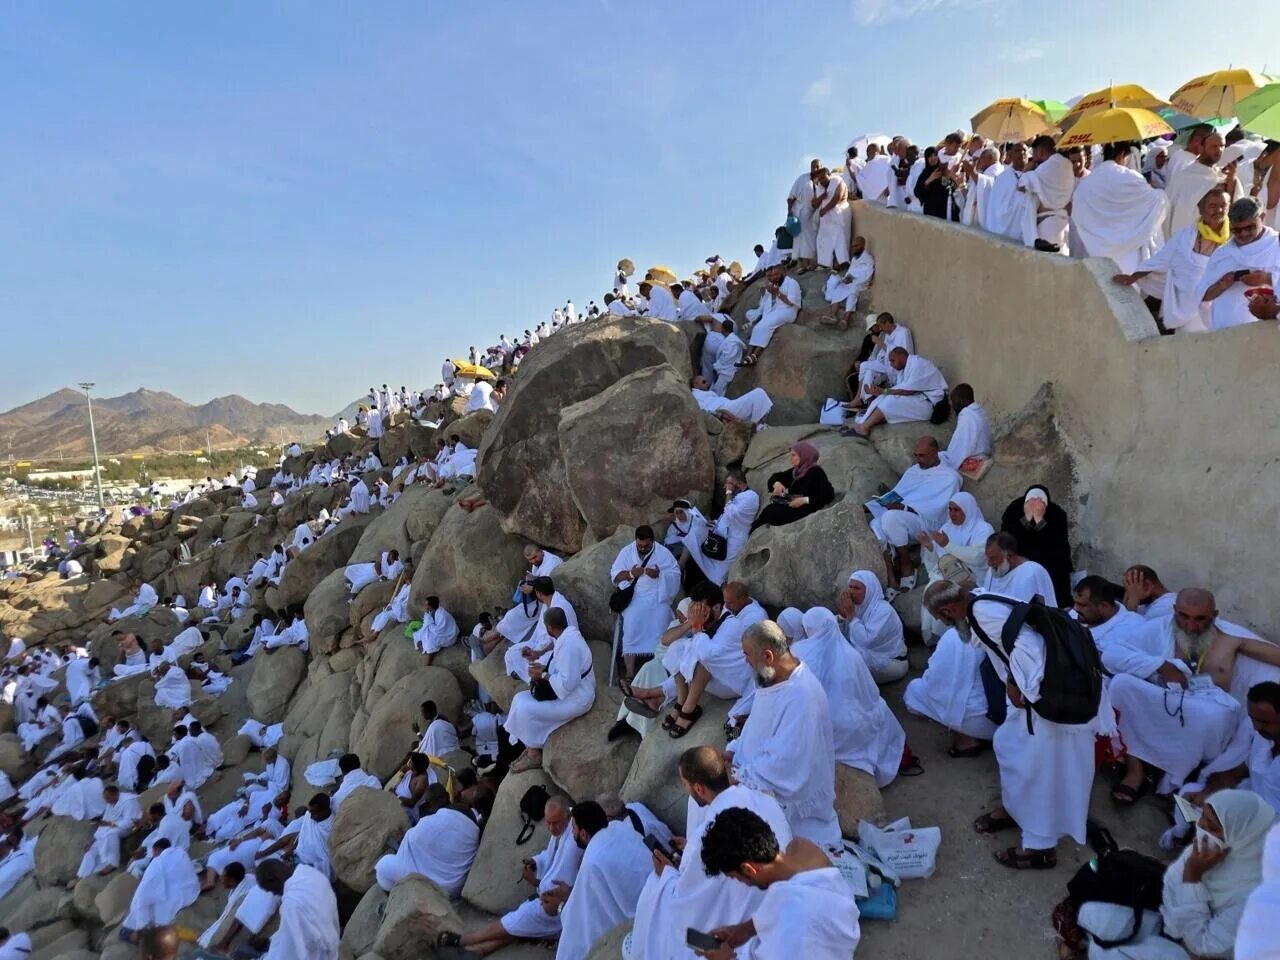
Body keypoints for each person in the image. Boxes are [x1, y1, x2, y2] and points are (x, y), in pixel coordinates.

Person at [925, 580, 1099, 870]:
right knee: (1010, 748)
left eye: (941, 618)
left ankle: (1040, 848)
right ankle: (1014, 809)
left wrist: (1019, 686)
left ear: (948, 610)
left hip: (1044, 699)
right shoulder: (978, 598)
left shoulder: (980, 614)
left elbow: (1030, 647)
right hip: (1034, 698)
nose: (943, 623)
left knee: (1037, 768)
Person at [629, 747, 792, 960]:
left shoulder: (708, 834)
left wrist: (668, 873)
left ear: (699, 788)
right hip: (777, 902)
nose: (685, 789)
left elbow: (686, 898)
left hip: (746, 923)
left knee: (660, 896)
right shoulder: (763, 799)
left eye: (685, 784)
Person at [1076, 790, 1274, 959]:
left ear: (1243, 837)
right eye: (1202, 817)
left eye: (1212, 827)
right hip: (1174, 927)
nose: (1201, 828)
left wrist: (1192, 878)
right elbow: (1169, 891)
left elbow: (1204, 947)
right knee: (1091, 915)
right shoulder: (1203, 849)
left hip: (1200, 952)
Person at [727, 621, 841, 847]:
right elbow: (758, 727)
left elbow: (787, 765)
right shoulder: (771, 676)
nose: (746, 661)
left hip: (782, 795)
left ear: (768, 656)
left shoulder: (802, 696)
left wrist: (738, 778)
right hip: (751, 770)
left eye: (747, 655)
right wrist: (733, 751)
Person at [696, 807, 860, 960]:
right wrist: (744, 930)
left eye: (735, 877)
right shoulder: (801, 847)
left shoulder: (792, 921)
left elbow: (792, 928)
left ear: (748, 870)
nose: (740, 883)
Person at [445, 796, 582, 954]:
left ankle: (467, 939)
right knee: (519, 927)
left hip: (560, 909)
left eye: (555, 823)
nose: (551, 828)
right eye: (548, 823)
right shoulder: (563, 827)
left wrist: (536, 882)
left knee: (519, 917)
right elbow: (551, 855)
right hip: (552, 902)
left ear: (567, 815)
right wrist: (536, 861)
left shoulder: (574, 836)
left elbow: (558, 883)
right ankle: (478, 951)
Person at [797, 607, 905, 786]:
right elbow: (871, 695)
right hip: (859, 726)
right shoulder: (852, 654)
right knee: (881, 708)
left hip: (827, 730)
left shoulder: (800, 653)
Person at [1114, 186, 1230, 334]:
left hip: (1219, 304)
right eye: (1213, 206)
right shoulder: (1185, 235)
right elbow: (1162, 257)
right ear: (1201, 209)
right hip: (1187, 303)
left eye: (1223, 206)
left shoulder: (1235, 237)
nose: (1219, 210)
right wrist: (1133, 277)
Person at [551, 800, 650, 960]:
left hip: (639, 925)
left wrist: (561, 907)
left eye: (574, 828)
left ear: (583, 834)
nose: (572, 832)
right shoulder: (620, 827)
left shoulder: (592, 863)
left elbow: (581, 918)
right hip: (658, 898)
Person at [864, 436, 962, 593]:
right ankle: (891, 577)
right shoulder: (913, 471)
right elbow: (900, 492)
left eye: (922, 455)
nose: (917, 459)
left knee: (891, 517)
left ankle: (906, 564)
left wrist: (904, 507)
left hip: (924, 523)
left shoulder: (950, 477)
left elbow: (939, 509)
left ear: (935, 452)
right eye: (916, 455)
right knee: (875, 524)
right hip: (903, 518)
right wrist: (877, 504)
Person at [505, 608, 596, 773]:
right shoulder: (566, 636)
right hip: (568, 692)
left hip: (577, 698)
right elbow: (563, 669)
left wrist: (543, 674)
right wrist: (543, 668)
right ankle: (530, 743)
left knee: (525, 710)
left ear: (549, 628)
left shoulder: (570, 645)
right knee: (519, 699)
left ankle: (534, 754)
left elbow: (567, 684)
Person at [1069, 140, 1169, 273]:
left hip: (1095, 252)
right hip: (1127, 256)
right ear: (1121, 155)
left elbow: (1077, 210)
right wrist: (1161, 193)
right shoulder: (1131, 177)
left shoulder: (1087, 184)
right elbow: (1158, 202)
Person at [374, 791, 491, 897]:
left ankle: (397, 900)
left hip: (433, 886)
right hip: (451, 888)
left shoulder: (429, 822)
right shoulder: (472, 830)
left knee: (382, 866)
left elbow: (411, 839)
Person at [916, 492, 995, 641]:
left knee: (942, 591)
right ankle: (944, 637)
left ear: (967, 509)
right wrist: (930, 548)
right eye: (950, 509)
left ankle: (959, 637)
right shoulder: (947, 528)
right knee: (934, 587)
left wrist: (947, 544)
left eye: (956, 510)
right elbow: (938, 562)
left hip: (974, 578)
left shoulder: (983, 529)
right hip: (948, 575)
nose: (952, 514)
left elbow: (978, 557)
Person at [1196, 196, 1280, 330]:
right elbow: (1201, 296)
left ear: (1263, 217)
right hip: (1228, 333)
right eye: (1237, 230)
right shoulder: (1222, 254)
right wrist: (1222, 284)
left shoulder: (1277, 245)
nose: (1244, 233)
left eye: (1250, 227)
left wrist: (1266, 279)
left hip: (1270, 333)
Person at [611, 525, 681, 677]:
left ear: (653, 542)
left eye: (646, 546)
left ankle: (660, 667)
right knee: (631, 622)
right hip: (634, 596)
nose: (642, 549)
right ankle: (630, 672)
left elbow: (675, 574)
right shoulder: (626, 552)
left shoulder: (663, 553)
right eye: (639, 545)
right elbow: (615, 575)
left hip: (657, 596)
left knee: (663, 617)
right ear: (635, 541)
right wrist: (630, 573)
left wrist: (660, 575)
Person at [669, 470, 759, 587]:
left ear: (737, 482)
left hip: (733, 542)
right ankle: (680, 568)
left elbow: (730, 513)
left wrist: (729, 492)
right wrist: (716, 523)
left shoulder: (751, 496)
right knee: (694, 536)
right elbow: (726, 517)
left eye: (728, 483)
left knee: (718, 576)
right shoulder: (740, 496)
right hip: (721, 536)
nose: (725, 486)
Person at [844, 347, 947, 438]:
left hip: (930, 405)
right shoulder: (906, 368)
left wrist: (884, 391)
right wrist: (880, 393)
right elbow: (901, 388)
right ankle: (864, 423)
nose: (891, 365)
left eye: (892, 361)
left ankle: (864, 428)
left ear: (901, 357)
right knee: (884, 398)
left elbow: (906, 391)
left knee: (891, 400)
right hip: (919, 398)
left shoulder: (918, 364)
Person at [999, 485, 1073, 606]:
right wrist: (1026, 519)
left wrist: (1039, 520)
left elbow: (1057, 543)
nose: (1035, 506)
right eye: (1030, 502)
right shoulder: (1014, 510)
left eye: (1040, 503)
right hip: (1022, 560)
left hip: (1049, 561)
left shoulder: (1057, 513)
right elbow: (1008, 540)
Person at [254, 858, 341, 960]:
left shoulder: (292, 904)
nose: (273, 894)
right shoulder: (308, 871)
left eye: (269, 889)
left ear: (274, 880)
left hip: (323, 953)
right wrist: (272, 939)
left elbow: (289, 952)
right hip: (332, 932)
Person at [1165, 131, 1242, 240]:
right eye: (1214, 146)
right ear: (1201, 148)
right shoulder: (1184, 178)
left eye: (1222, 146)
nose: (1219, 150)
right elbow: (1180, 212)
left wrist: (1231, 182)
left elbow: (1232, 210)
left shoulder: (1224, 176)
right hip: (1190, 239)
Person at [838, 571, 908, 683]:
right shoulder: (858, 607)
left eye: (857, 588)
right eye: (850, 587)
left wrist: (851, 615)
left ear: (869, 590)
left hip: (891, 662)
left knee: (844, 665)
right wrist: (842, 616)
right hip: (870, 655)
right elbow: (847, 636)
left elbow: (865, 641)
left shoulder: (884, 611)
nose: (851, 592)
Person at [749, 442, 834, 530]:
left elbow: (828, 494)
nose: (791, 459)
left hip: (807, 508)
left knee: (771, 512)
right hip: (794, 505)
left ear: (804, 456)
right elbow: (776, 477)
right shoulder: (797, 471)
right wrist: (776, 484)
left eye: (793, 455)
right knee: (769, 510)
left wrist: (804, 500)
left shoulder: (816, 472)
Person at [122, 840, 201, 935]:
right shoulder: (182, 853)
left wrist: (133, 909)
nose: (153, 855)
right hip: (191, 891)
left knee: (125, 931)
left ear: (157, 849)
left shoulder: (157, 862)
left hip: (174, 900)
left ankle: (140, 936)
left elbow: (143, 892)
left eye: (153, 852)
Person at [1019, 135, 1075, 252]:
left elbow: (1022, 185)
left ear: (1040, 151)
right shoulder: (1068, 165)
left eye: (1034, 153)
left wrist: (1027, 170)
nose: (1033, 156)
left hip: (1046, 224)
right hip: (1063, 223)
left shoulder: (1047, 166)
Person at [737, 266, 801, 368]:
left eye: (776, 274)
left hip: (789, 311)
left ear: (783, 274)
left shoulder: (792, 283)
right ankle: (748, 356)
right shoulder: (776, 284)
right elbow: (771, 302)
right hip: (778, 311)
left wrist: (777, 293)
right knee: (758, 327)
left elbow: (791, 303)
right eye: (772, 275)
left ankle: (755, 356)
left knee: (765, 326)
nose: (773, 277)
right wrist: (770, 293)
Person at [980, 531, 1057, 603]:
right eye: (988, 558)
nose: (989, 564)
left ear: (1009, 556)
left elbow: (1047, 611)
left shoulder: (1033, 572)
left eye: (993, 558)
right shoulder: (992, 571)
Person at [822, 236, 874, 327]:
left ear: (863, 245)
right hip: (850, 282)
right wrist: (845, 278)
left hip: (860, 284)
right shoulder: (854, 259)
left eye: (856, 246)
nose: (854, 248)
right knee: (839, 287)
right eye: (853, 246)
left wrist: (854, 279)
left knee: (853, 292)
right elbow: (851, 271)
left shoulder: (868, 259)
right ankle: (832, 315)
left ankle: (845, 320)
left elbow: (867, 274)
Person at [938, 383, 993, 470]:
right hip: (982, 454)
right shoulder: (979, 411)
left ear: (962, 400)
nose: (953, 405)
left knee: (938, 460)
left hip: (974, 457)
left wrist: (951, 460)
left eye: (953, 401)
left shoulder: (967, 414)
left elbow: (962, 447)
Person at [690, 376, 773, 424]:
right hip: (729, 409)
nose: (707, 384)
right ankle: (755, 425)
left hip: (731, 405)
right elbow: (704, 410)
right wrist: (720, 414)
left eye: (706, 381)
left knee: (759, 398)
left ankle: (756, 424)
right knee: (758, 392)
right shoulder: (696, 395)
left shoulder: (705, 393)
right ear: (695, 385)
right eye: (704, 382)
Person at [786, 160, 821, 270]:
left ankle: (807, 263)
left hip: (812, 214)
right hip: (799, 212)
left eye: (817, 167)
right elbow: (791, 197)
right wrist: (789, 212)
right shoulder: (802, 179)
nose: (815, 169)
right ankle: (804, 265)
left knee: (810, 238)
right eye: (813, 167)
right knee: (800, 239)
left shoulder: (821, 181)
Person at [814, 167, 852, 268]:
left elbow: (837, 198)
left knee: (840, 238)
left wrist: (825, 209)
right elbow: (814, 203)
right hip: (826, 218)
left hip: (840, 213)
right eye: (819, 179)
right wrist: (821, 198)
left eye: (823, 177)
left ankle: (843, 262)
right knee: (822, 239)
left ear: (829, 175)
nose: (821, 181)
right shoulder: (820, 188)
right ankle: (825, 263)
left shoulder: (839, 182)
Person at [411, 595, 459, 664]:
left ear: (431, 606)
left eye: (427, 605)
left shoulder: (442, 614)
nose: (425, 607)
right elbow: (428, 623)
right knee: (423, 633)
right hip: (438, 631)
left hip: (448, 635)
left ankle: (429, 661)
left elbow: (440, 630)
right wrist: (428, 621)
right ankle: (425, 644)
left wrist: (430, 624)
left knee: (430, 641)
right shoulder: (431, 611)